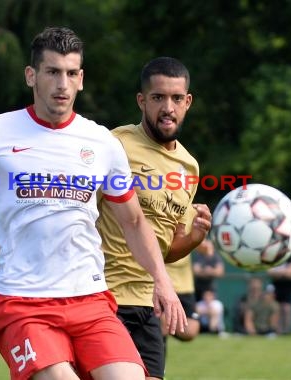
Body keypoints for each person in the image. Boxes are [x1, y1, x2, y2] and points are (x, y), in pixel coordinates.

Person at [0, 27, 187, 380]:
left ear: (81, 79)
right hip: (23, 302)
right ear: (32, 76)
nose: (63, 83)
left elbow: (134, 223)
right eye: (53, 72)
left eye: (71, 73)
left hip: (91, 300)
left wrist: (162, 282)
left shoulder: (101, 142)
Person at [96, 57, 211, 380]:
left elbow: (164, 249)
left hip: (149, 305)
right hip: (104, 300)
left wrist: (193, 240)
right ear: (141, 101)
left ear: (188, 102)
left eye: (176, 98)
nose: (168, 107)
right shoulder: (115, 145)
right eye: (158, 97)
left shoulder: (189, 168)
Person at [267, 262, 291, 334]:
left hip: (287, 287)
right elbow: (270, 272)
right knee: (276, 309)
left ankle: (286, 331)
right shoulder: (273, 257)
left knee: (287, 309)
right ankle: (277, 331)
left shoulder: (289, 257)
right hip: (276, 286)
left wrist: (279, 273)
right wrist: (283, 273)